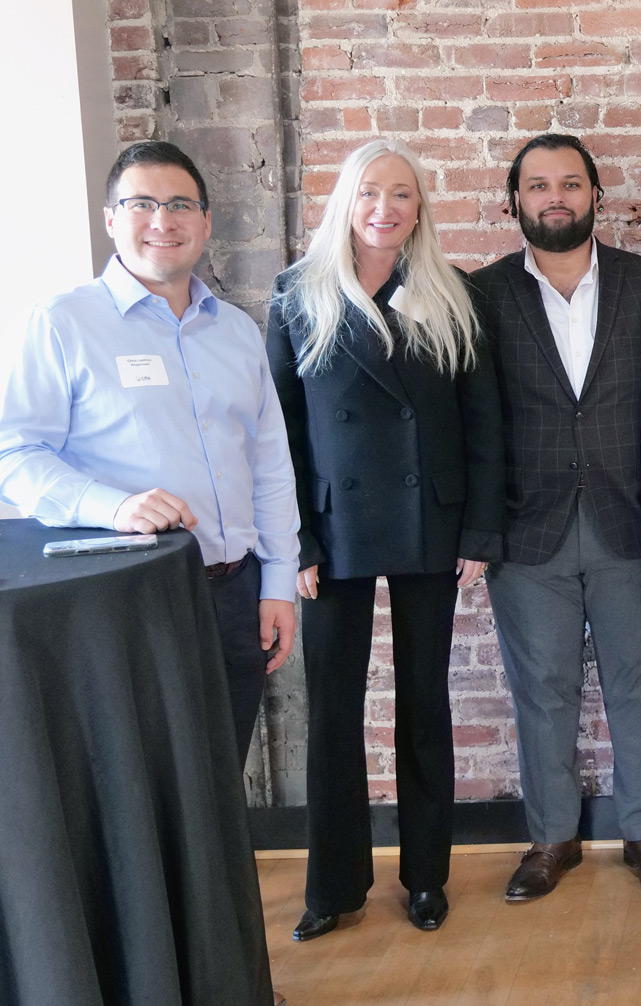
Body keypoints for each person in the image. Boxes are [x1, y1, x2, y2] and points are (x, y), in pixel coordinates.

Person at [267, 138, 504, 940]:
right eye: (370, 192)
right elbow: (279, 433)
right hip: (333, 525)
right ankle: (333, 888)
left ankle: (427, 876)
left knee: (423, 702)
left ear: (420, 207)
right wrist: (295, 540)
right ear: (346, 201)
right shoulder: (298, 294)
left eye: (402, 194)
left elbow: (483, 423)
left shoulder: (452, 293)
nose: (385, 208)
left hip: (429, 519)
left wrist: (480, 529)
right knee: (333, 710)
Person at [0, 140, 299, 764]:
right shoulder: (61, 323)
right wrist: (114, 506)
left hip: (235, 594)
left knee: (223, 777)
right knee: (144, 781)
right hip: (129, 597)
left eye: (181, 204)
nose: (163, 220)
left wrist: (277, 583)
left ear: (205, 222)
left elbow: (270, 465)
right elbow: (15, 455)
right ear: (111, 219)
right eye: (142, 203)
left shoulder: (237, 331)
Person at [469, 134, 641, 902]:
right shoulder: (482, 295)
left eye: (569, 183)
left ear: (597, 195)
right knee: (542, 691)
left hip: (632, 521)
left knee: (639, 687)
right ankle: (551, 840)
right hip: (528, 532)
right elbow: (474, 422)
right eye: (538, 185)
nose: (554, 197)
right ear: (515, 202)